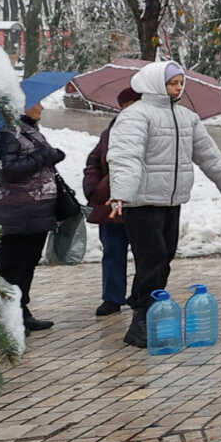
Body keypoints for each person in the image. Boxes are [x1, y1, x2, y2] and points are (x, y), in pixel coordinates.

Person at [105, 59, 221, 349]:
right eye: (172, 83)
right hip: (141, 202)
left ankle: (154, 313)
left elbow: (208, 154)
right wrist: (122, 193)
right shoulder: (136, 115)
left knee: (165, 255)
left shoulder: (186, 117)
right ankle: (140, 319)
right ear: (155, 83)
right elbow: (125, 157)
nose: (177, 88)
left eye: (180, 83)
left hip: (171, 201)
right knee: (151, 257)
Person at [0, 96, 67, 333]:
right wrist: (47, 155)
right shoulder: (6, 133)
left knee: (28, 264)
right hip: (15, 213)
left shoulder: (29, 130)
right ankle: (3, 318)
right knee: (10, 267)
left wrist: (50, 156)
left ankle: (22, 312)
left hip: (37, 211)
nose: (40, 107)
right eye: (36, 103)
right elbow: (9, 171)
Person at [83, 84, 134, 316]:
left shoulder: (153, 130)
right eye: (126, 105)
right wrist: (93, 187)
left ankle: (142, 296)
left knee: (146, 253)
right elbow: (93, 161)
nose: (129, 110)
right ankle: (112, 298)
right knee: (113, 250)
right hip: (112, 201)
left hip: (141, 201)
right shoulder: (110, 132)